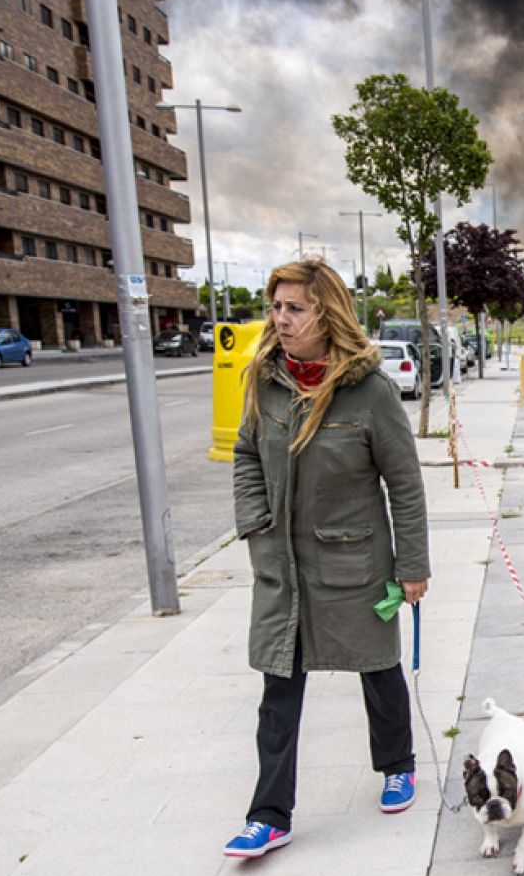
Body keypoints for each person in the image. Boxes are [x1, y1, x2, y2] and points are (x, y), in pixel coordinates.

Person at [224, 259, 431, 859]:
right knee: (278, 688)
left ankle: (397, 764)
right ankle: (268, 814)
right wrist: (255, 521)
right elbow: (244, 454)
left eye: (294, 308)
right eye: (276, 307)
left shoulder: (370, 390)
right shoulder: (264, 379)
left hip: (354, 563)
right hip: (282, 566)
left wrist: (411, 564)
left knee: (377, 666)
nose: (279, 319)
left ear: (326, 313)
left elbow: (406, 484)